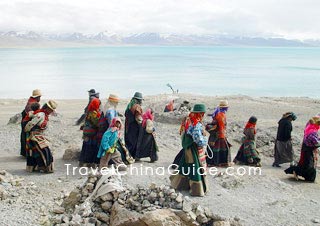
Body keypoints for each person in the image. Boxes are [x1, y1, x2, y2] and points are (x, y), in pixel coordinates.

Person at [170, 104, 208, 197]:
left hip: (187, 147)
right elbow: (198, 139)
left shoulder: (188, 120)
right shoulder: (196, 124)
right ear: (201, 114)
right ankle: (197, 190)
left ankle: (178, 184)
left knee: (184, 166)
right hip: (193, 149)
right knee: (195, 169)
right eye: (203, 114)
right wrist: (205, 139)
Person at [24, 100, 57, 173]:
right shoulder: (40, 115)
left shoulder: (44, 115)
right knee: (45, 150)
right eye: (51, 109)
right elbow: (30, 124)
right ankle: (45, 167)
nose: (51, 111)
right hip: (34, 136)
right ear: (47, 108)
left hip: (39, 136)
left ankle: (39, 166)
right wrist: (27, 130)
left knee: (39, 151)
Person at [285, 116, 320, 182]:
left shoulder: (309, 128)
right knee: (308, 164)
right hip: (308, 150)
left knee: (305, 163)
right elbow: (315, 142)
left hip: (306, 149)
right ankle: (303, 175)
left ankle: (298, 172)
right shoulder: (312, 131)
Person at [206, 100, 232, 167]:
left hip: (216, 135)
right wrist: (222, 134)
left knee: (213, 148)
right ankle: (219, 162)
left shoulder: (218, 113)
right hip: (219, 135)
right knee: (222, 149)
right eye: (227, 107)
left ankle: (211, 162)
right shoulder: (221, 115)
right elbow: (221, 126)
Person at [79, 98, 101, 167]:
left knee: (86, 147)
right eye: (99, 105)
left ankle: (83, 162)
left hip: (87, 133)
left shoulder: (89, 111)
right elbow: (96, 123)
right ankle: (89, 162)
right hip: (92, 134)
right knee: (91, 147)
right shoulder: (93, 113)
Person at [20, 89, 42, 157]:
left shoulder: (30, 101)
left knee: (24, 137)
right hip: (27, 122)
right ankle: (29, 154)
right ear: (37, 97)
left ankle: (25, 153)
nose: (40, 98)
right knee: (28, 138)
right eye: (39, 97)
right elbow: (33, 116)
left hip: (25, 121)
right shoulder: (34, 103)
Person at [124, 92, 143, 159]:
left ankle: (127, 155)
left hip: (128, 125)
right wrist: (142, 123)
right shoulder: (137, 106)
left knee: (128, 141)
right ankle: (132, 156)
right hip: (134, 127)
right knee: (134, 142)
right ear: (139, 100)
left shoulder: (130, 105)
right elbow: (138, 118)